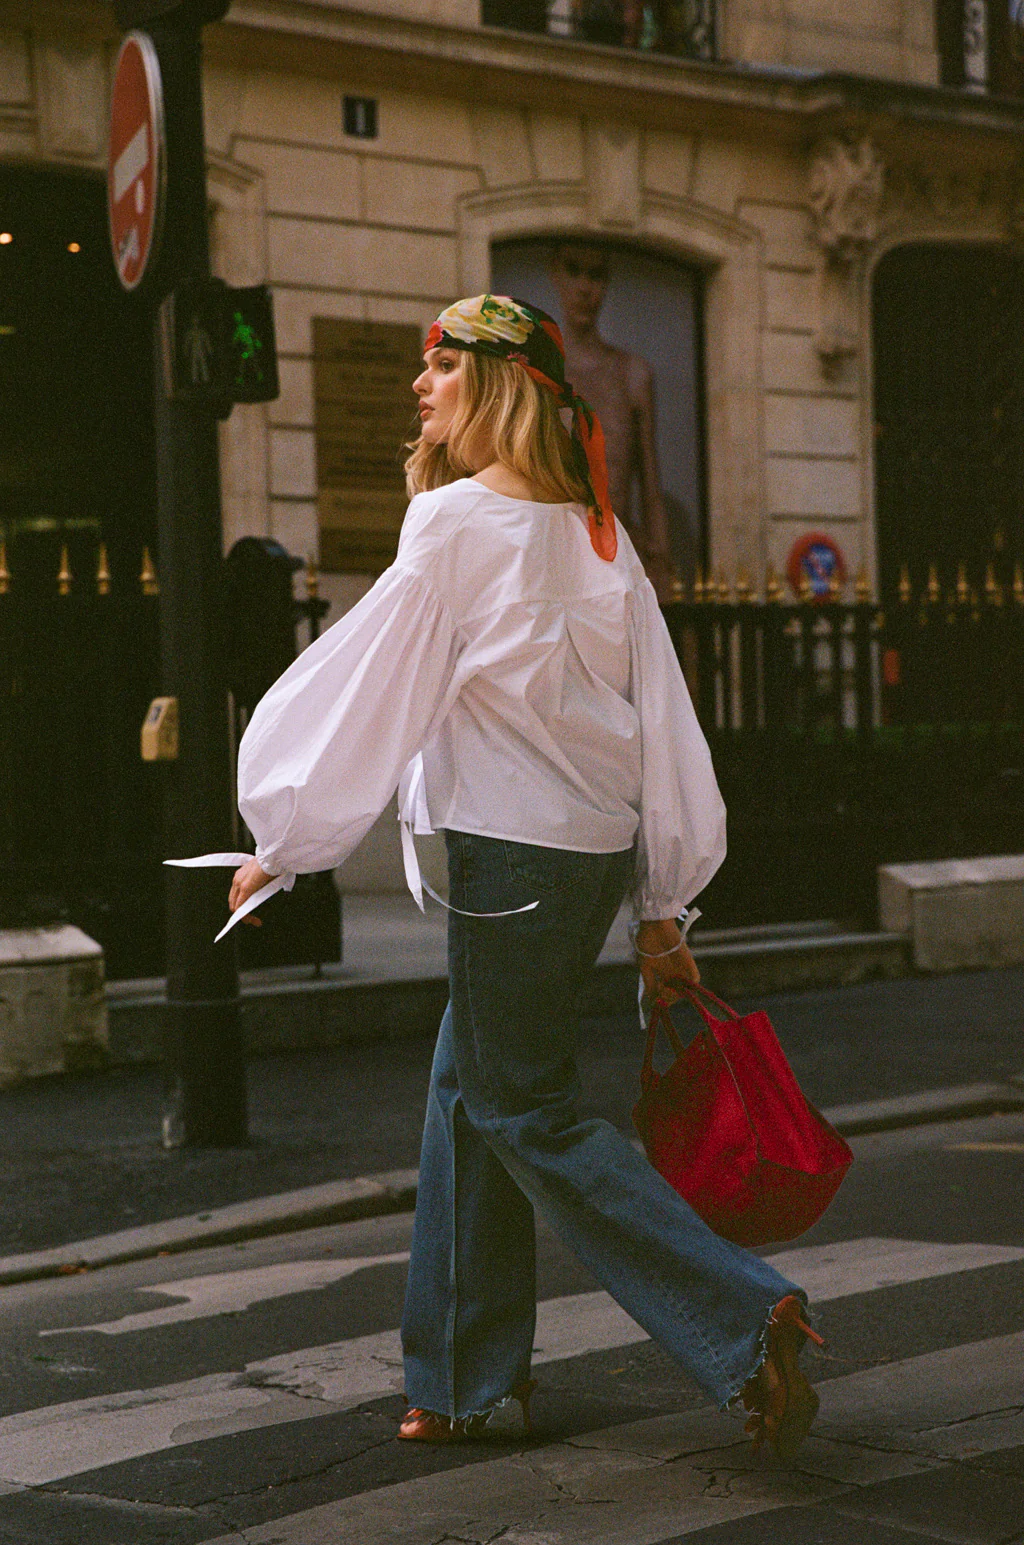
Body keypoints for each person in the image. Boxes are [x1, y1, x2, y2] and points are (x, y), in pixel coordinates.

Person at [223, 293, 819, 1461]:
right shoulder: (595, 529)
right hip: (590, 856)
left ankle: (744, 1314)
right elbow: (662, 718)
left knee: (520, 1110)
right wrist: (661, 902)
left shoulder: (452, 521)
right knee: (467, 1091)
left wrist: (285, 841)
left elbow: (372, 684)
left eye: (442, 365)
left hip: (509, 860)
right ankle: (459, 1376)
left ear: (496, 384)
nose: (420, 384)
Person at [548, 242, 683, 600]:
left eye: (596, 275)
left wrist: (661, 561)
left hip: (618, 559)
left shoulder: (632, 374)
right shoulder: (541, 375)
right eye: (574, 271)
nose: (585, 288)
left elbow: (650, 486)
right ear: (556, 275)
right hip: (552, 558)